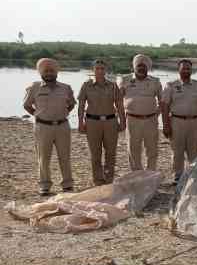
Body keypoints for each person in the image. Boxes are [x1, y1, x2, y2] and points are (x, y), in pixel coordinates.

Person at [23, 58, 76, 196]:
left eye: (51, 70)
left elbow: (71, 104)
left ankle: (67, 184)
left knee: (65, 156)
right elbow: (27, 105)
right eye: (46, 71)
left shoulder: (66, 87)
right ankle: (44, 185)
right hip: (43, 127)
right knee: (43, 157)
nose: (49, 73)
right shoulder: (34, 87)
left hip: (62, 126)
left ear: (56, 72)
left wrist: (62, 114)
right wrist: (38, 114)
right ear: (41, 72)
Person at [77, 59, 126, 186]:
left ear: (106, 70)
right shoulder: (86, 85)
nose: (100, 71)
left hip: (110, 122)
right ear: (93, 70)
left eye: (102, 68)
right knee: (95, 153)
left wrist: (123, 121)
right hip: (92, 122)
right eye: (97, 68)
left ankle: (109, 179)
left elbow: (119, 104)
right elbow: (81, 105)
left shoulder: (113, 85)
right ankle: (98, 180)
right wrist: (80, 122)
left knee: (111, 153)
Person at [161, 59, 197, 182]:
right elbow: (165, 106)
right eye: (183, 68)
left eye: (188, 68)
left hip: (195, 122)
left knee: (194, 151)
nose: (186, 70)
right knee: (177, 151)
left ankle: (193, 176)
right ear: (179, 70)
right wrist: (166, 125)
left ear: (191, 70)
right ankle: (178, 177)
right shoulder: (171, 85)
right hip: (177, 122)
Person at [119, 54, 162, 171]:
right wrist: (121, 118)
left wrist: (156, 114)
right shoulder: (124, 80)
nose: (141, 68)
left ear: (148, 67)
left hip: (151, 120)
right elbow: (117, 101)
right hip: (132, 120)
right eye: (139, 65)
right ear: (134, 66)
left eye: (144, 66)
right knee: (133, 149)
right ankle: (136, 176)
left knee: (152, 149)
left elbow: (162, 101)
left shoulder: (155, 81)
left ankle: (150, 175)